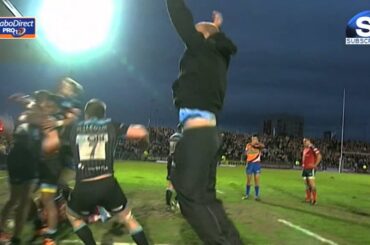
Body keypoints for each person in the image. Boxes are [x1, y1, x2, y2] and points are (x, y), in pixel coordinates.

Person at [166, 0, 242, 244]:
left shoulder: (202, 48)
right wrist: (215, 28)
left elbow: (180, 15)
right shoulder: (218, 56)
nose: (192, 34)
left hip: (197, 134)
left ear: (204, 37)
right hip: (208, 134)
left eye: (197, 31)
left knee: (188, 196)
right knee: (207, 198)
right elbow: (212, 36)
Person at [66, 99, 149, 245]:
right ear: (104, 115)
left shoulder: (74, 128)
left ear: (86, 114)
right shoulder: (110, 125)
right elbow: (141, 132)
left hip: (83, 186)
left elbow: (50, 144)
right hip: (107, 184)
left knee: (73, 217)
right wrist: (144, 146)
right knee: (128, 219)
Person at [0, 123, 41, 244]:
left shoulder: (18, 147)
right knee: (22, 203)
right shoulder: (26, 145)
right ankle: (15, 237)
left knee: (16, 200)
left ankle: (7, 231)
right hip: (24, 167)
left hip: (20, 165)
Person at [242, 135, 265, 201]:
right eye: (253, 139)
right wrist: (253, 147)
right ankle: (247, 195)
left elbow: (263, 146)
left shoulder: (259, 146)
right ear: (251, 139)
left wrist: (257, 144)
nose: (254, 140)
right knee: (249, 180)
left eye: (255, 139)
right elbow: (247, 153)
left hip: (257, 164)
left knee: (257, 180)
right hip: (250, 164)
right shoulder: (248, 145)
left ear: (257, 139)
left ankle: (256, 196)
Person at [302, 138, 322, 205]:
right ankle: (308, 198)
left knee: (312, 184)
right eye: (304, 142)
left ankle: (314, 199)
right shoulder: (305, 149)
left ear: (309, 142)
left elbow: (319, 156)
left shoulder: (313, 148)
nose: (305, 143)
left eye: (306, 141)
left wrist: (315, 165)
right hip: (305, 169)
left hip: (310, 168)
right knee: (306, 184)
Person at [165, 131, 182, 211]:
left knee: (170, 185)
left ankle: (168, 204)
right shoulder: (182, 137)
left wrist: (168, 173)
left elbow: (169, 160)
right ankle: (178, 203)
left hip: (172, 165)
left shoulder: (173, 137)